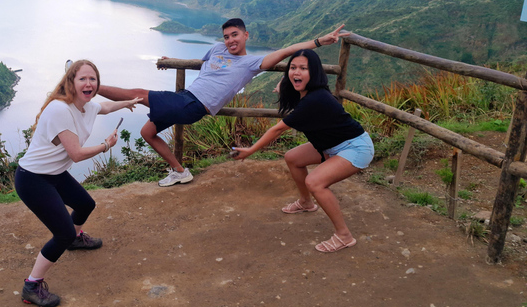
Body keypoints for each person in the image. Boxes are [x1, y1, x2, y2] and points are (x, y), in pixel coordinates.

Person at [98, 18, 349, 187]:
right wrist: (172, 59)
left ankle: (90, 88)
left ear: (246, 35)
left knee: (139, 94)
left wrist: (319, 41)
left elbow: (286, 51)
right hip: (186, 96)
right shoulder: (217, 49)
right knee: (147, 131)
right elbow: (203, 66)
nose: (230, 40)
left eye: (235, 35)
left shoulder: (251, 64)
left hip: (196, 105)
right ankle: (180, 171)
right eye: (227, 36)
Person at [16, 60, 141, 307]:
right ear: (71, 82)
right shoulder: (60, 110)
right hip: (33, 179)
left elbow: (103, 106)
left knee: (85, 204)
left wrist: (127, 103)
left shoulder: (86, 105)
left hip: (54, 173)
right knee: (61, 233)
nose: (88, 83)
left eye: (92, 79)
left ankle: (74, 239)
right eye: (83, 79)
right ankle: (31, 285)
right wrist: (106, 145)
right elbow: (77, 154)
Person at [231, 49, 374, 253]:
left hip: (355, 147)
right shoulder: (306, 95)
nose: (296, 72)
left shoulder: (315, 99)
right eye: (293, 67)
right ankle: (306, 203)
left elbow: (278, 128)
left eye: (303, 68)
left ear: (314, 72)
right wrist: (284, 88)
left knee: (315, 182)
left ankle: (344, 236)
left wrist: (251, 150)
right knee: (293, 158)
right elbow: (295, 99)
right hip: (332, 145)